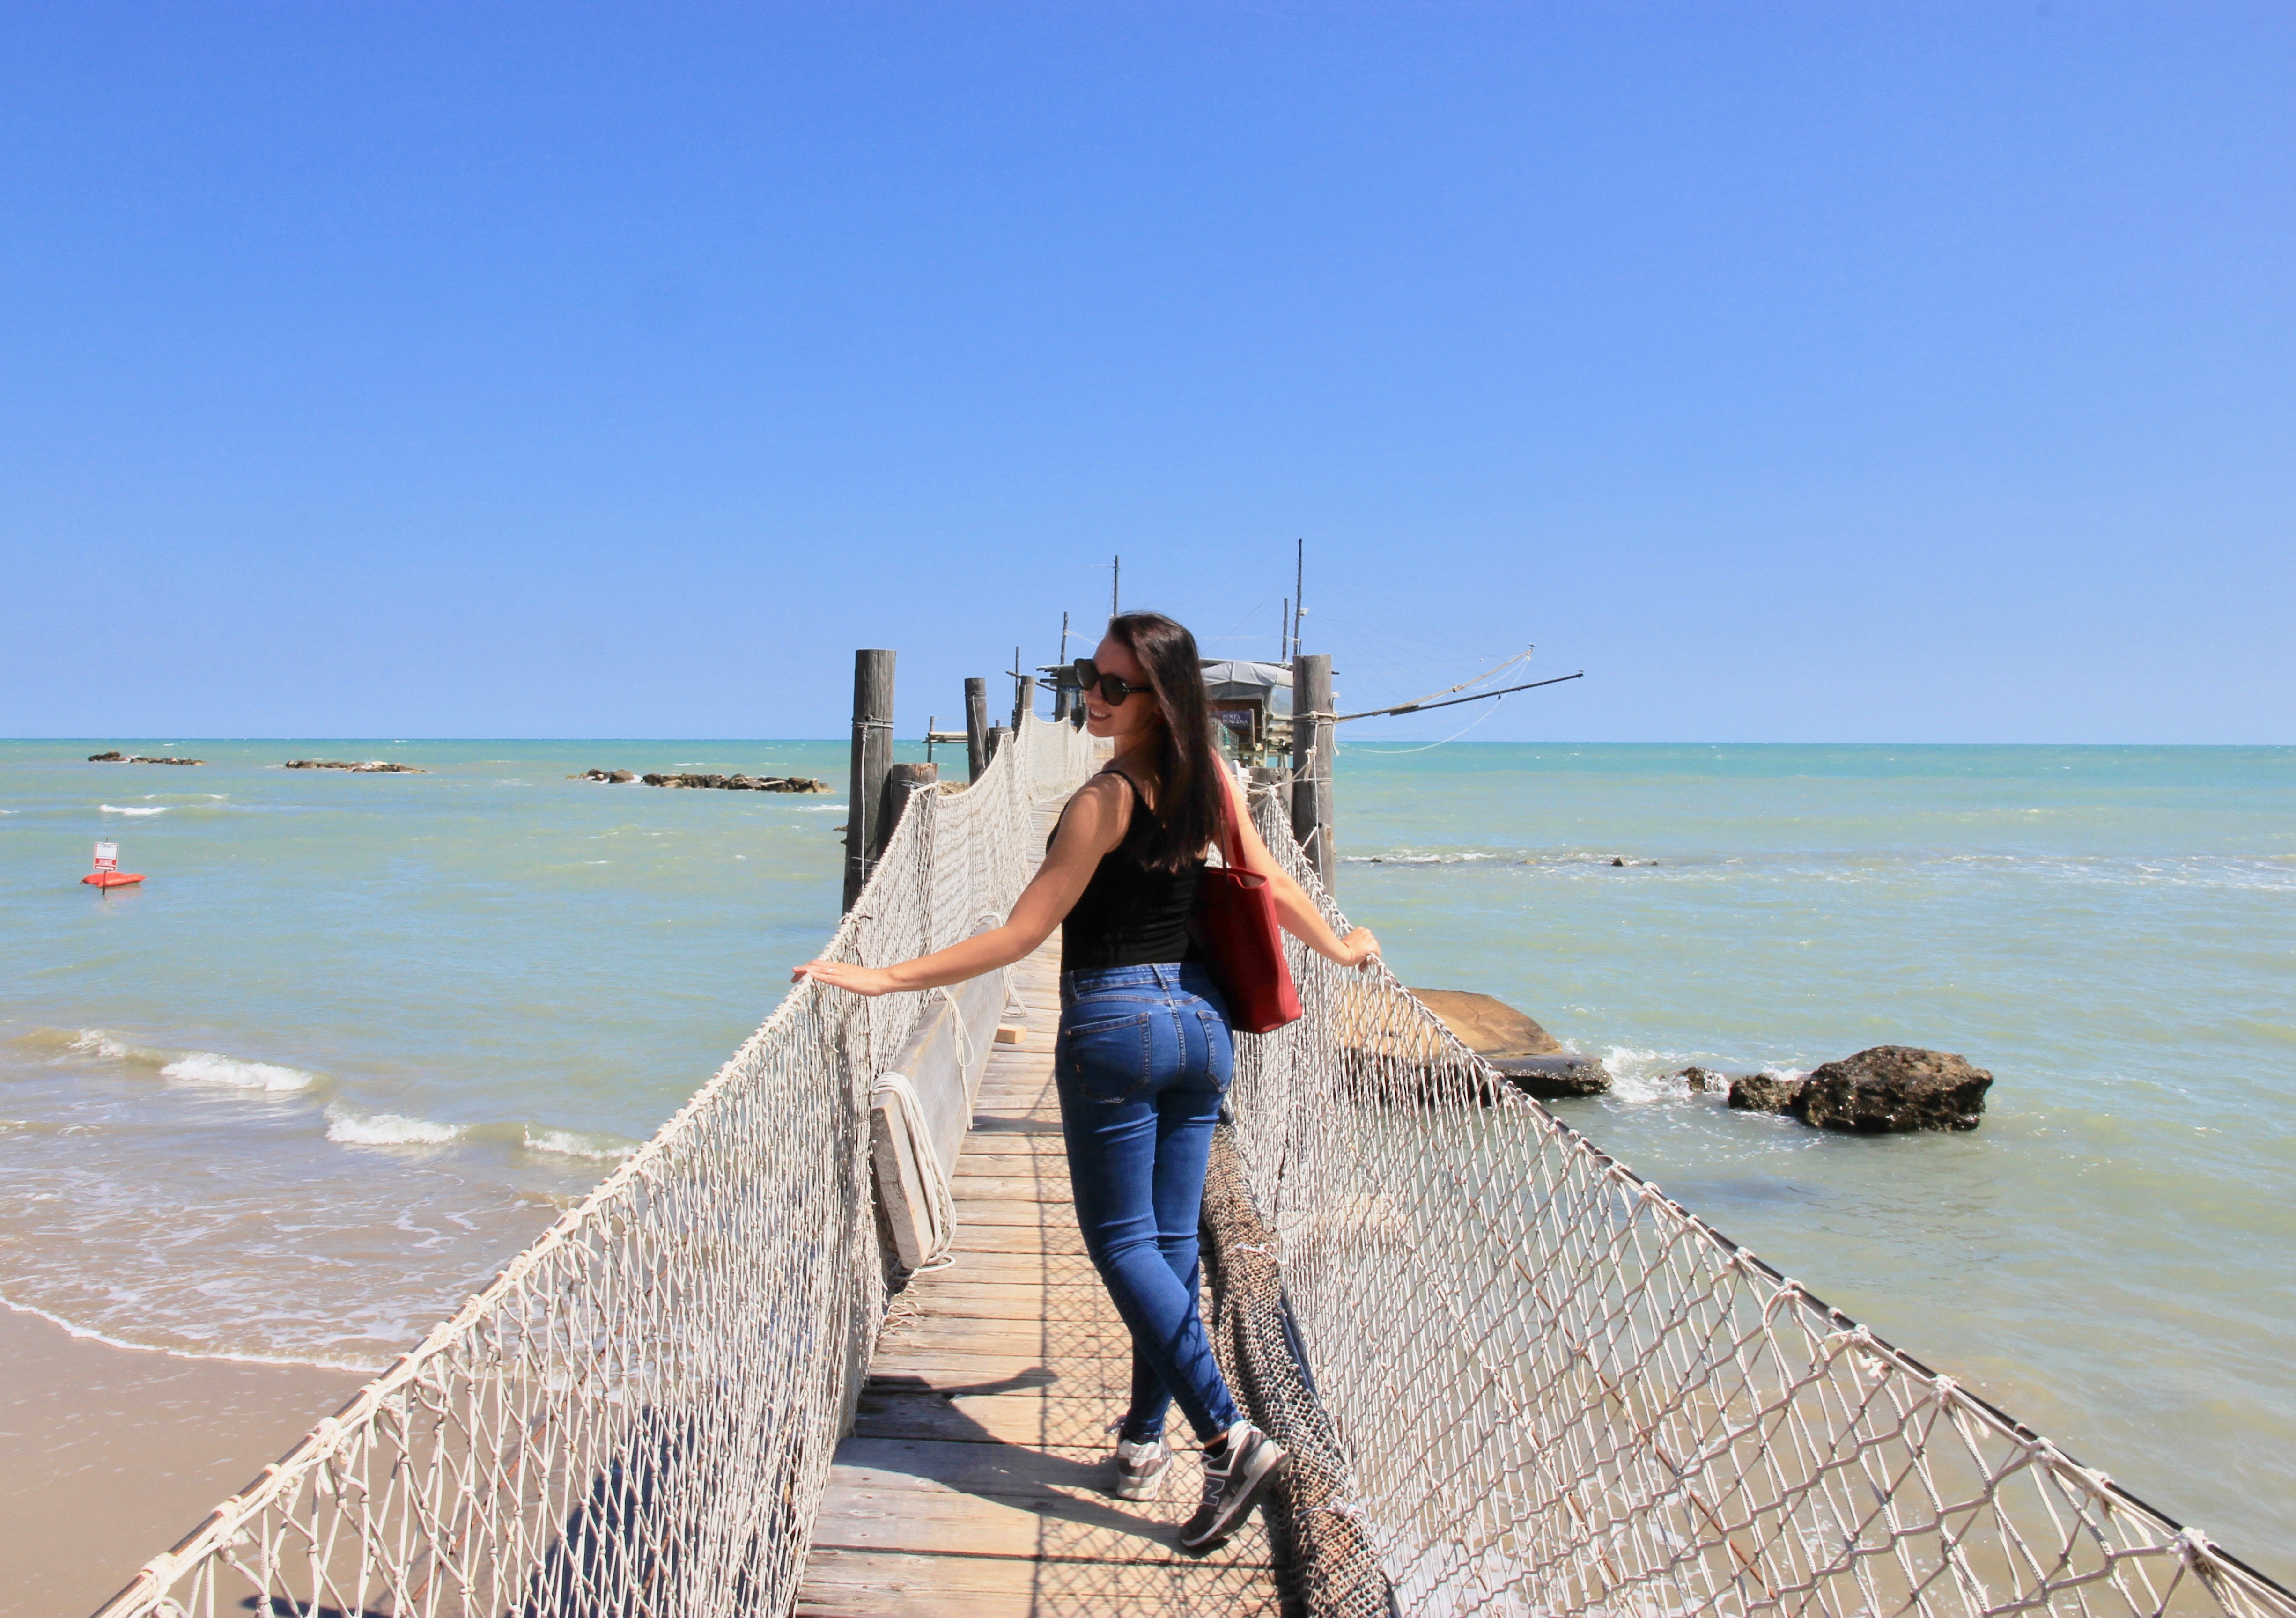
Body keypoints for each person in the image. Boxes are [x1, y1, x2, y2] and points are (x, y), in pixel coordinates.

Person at [794, 610, 1380, 1554]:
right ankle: (1145, 1441)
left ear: (1159, 698)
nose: (1092, 699)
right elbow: (1266, 883)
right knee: (1167, 1245)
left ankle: (1227, 1437)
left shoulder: (1101, 801)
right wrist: (1341, 947)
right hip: (1201, 1027)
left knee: (1120, 1247)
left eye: (1113, 686)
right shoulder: (1213, 785)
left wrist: (883, 977)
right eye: (1088, 679)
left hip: (1115, 1030)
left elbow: (1021, 936)